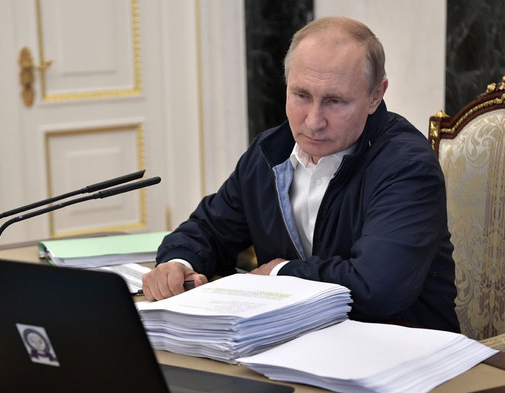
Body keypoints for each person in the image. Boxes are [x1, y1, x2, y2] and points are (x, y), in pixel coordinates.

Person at [142, 16, 460, 332]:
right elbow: (209, 229)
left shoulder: (407, 166)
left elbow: (377, 288)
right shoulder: (269, 153)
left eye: (335, 101)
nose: (312, 121)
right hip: (297, 345)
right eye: (301, 96)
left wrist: (279, 275)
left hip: (406, 353)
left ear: (375, 95)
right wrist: (178, 263)